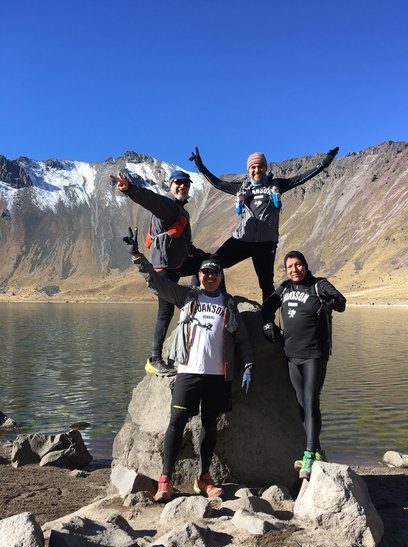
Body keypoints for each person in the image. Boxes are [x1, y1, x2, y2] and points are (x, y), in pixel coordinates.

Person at [123, 228, 255, 502]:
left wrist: (249, 364)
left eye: (215, 273)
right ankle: (165, 480)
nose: (210, 276)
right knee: (176, 424)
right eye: (206, 272)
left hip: (217, 376)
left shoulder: (229, 304)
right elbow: (158, 284)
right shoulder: (187, 296)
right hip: (188, 373)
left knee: (210, 425)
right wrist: (138, 257)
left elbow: (241, 339)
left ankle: (204, 478)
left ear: (221, 277)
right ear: (199, 275)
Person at [189, 146, 339, 302]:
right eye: (253, 167)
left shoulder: (276, 185)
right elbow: (218, 183)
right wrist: (200, 166)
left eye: (260, 166)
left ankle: (268, 321)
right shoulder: (242, 187)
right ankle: (220, 302)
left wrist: (325, 162)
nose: (256, 170)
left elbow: (301, 178)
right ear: (248, 170)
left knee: (266, 284)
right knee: (214, 263)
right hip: (242, 240)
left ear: (265, 168)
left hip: (265, 244)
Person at [111, 169, 207, 376]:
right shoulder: (169, 206)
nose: (183, 186)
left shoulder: (182, 211)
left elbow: (182, 241)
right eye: (178, 183)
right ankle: (154, 359)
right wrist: (130, 190)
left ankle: (194, 291)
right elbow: (151, 200)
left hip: (176, 264)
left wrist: (199, 254)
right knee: (165, 311)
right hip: (164, 267)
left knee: (205, 262)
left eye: (186, 184)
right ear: (170, 185)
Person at [261, 250, 346, 480]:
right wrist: (268, 324)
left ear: (305, 266)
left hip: (314, 356)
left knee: (310, 401)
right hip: (292, 356)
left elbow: (341, 303)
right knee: (301, 406)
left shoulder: (318, 285)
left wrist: (331, 300)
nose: (294, 270)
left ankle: (308, 454)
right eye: (289, 267)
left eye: (298, 265)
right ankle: (317, 451)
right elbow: (267, 307)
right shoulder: (285, 288)